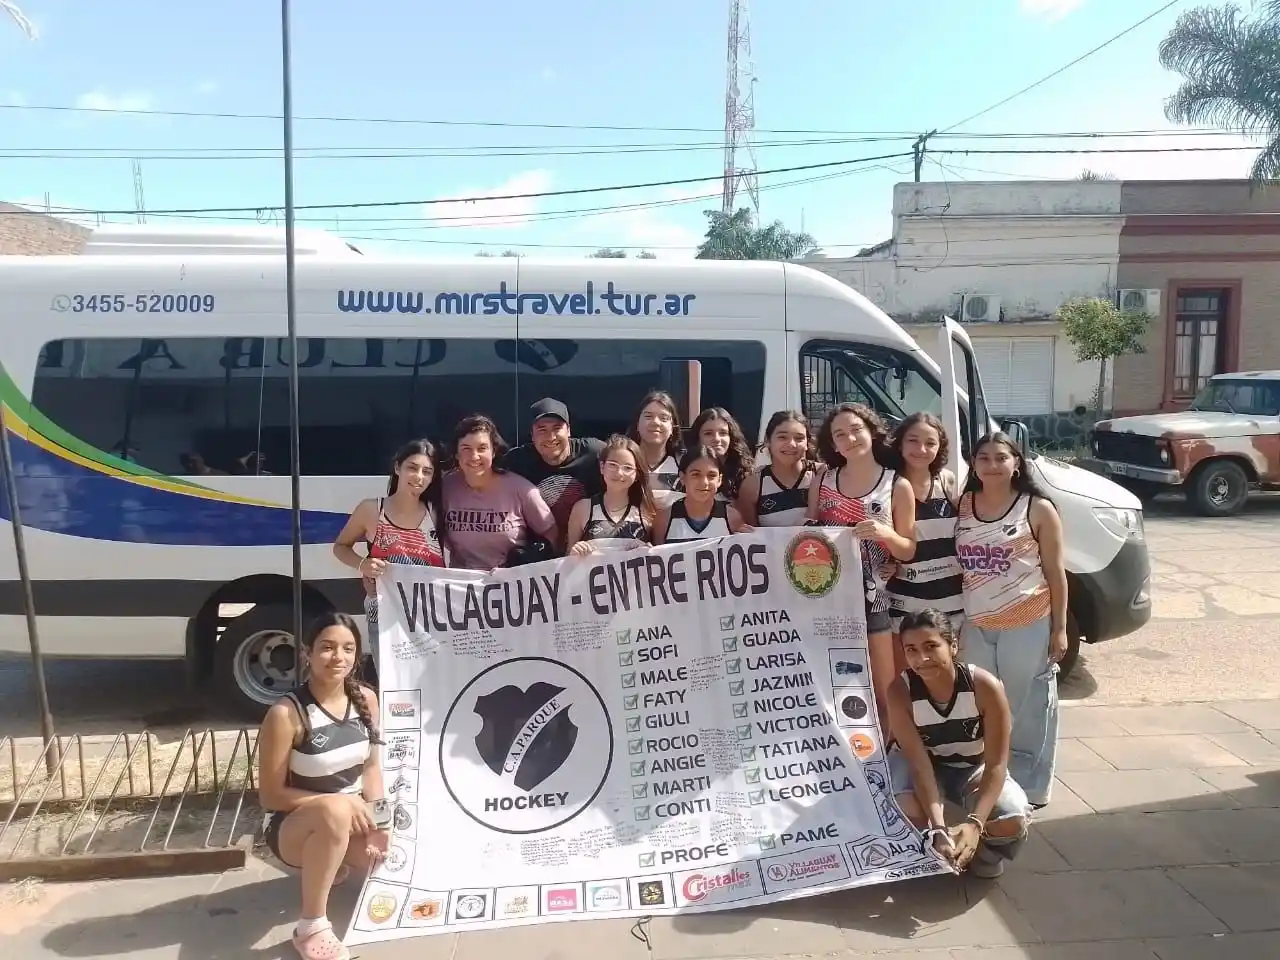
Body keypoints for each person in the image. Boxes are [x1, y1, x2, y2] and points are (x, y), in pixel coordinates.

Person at [257, 612, 387, 960]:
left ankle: (333, 861)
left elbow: (372, 769)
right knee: (334, 811)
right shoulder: (286, 714)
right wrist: (340, 804)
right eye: (327, 648)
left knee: (388, 856)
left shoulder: (366, 699)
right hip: (292, 826)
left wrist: (380, 822)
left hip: (351, 814)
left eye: (347, 649)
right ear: (307, 654)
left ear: (357, 657)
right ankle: (311, 926)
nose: (338, 657)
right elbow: (270, 795)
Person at [955, 431, 1068, 809]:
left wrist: (1060, 629)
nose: (992, 465)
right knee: (980, 705)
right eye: (983, 457)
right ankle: (990, 783)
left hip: (1027, 621)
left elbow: (1056, 572)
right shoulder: (964, 505)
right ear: (974, 464)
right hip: (977, 623)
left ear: (1016, 463)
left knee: (1026, 706)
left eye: (1000, 457)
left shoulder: (1036, 508)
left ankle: (1030, 791)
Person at [886, 608, 1031, 880]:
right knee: (907, 808)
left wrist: (976, 824)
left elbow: (997, 764)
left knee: (1013, 818)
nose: (922, 658)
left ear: (953, 646)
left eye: (931, 646)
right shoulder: (900, 692)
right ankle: (928, 852)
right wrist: (938, 827)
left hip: (971, 766)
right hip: (923, 765)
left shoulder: (984, 686)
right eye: (911, 650)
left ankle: (982, 856)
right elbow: (919, 766)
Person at [807, 403, 916, 737]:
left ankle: (888, 752)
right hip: (827, 602)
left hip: (874, 602)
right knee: (832, 684)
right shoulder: (822, 481)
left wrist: (886, 534)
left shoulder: (897, 485)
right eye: (839, 434)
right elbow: (807, 536)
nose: (849, 438)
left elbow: (909, 550)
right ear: (832, 444)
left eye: (855, 429)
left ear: (871, 430)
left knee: (885, 687)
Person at [332, 439, 447, 679]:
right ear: (397, 468)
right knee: (391, 680)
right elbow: (341, 547)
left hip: (428, 615)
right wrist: (363, 564)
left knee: (430, 682)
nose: (418, 476)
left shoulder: (436, 513)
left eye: (427, 471)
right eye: (412, 467)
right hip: (383, 612)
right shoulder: (372, 510)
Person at [442, 414, 560, 571]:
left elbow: (551, 534)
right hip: (461, 588)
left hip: (509, 588)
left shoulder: (522, 489)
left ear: (493, 451)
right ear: (456, 453)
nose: (474, 456)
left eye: (482, 448)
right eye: (466, 449)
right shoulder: (445, 487)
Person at [885, 413, 965, 643]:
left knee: (948, 675)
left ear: (939, 448)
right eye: (913, 440)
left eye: (930, 443)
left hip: (951, 601)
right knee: (908, 676)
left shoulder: (947, 481)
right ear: (899, 443)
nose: (921, 449)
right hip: (904, 602)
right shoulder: (886, 485)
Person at [498, 397, 604, 535]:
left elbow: (626, 460)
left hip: (589, 541)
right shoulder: (516, 460)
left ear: (569, 431)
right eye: (542, 430)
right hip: (540, 545)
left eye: (557, 428)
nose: (551, 437)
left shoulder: (595, 452)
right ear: (532, 435)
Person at [566, 435, 656, 554]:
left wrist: (650, 551)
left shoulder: (648, 511)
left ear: (637, 475)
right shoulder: (583, 508)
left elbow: (661, 557)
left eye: (628, 468)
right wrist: (575, 552)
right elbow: (566, 559)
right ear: (602, 467)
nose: (619, 473)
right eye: (613, 465)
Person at [654, 446, 751, 544]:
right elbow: (655, 556)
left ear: (719, 480)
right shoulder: (664, 519)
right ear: (682, 478)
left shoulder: (732, 518)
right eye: (696, 474)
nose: (704, 482)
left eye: (711, 475)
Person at [738, 410, 818, 527]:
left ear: (807, 443)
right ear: (768, 441)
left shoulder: (821, 474)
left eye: (799, 438)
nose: (791, 444)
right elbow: (750, 536)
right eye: (782, 437)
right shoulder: (753, 484)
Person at [627, 390, 683, 507]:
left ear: (673, 427)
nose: (656, 422)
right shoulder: (624, 462)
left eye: (664, 418)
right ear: (637, 424)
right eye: (648, 416)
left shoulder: (684, 465)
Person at [689, 407, 754, 502]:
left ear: (731, 436)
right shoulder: (688, 470)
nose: (717, 439)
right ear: (697, 438)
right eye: (708, 433)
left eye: (723, 433)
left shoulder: (746, 474)